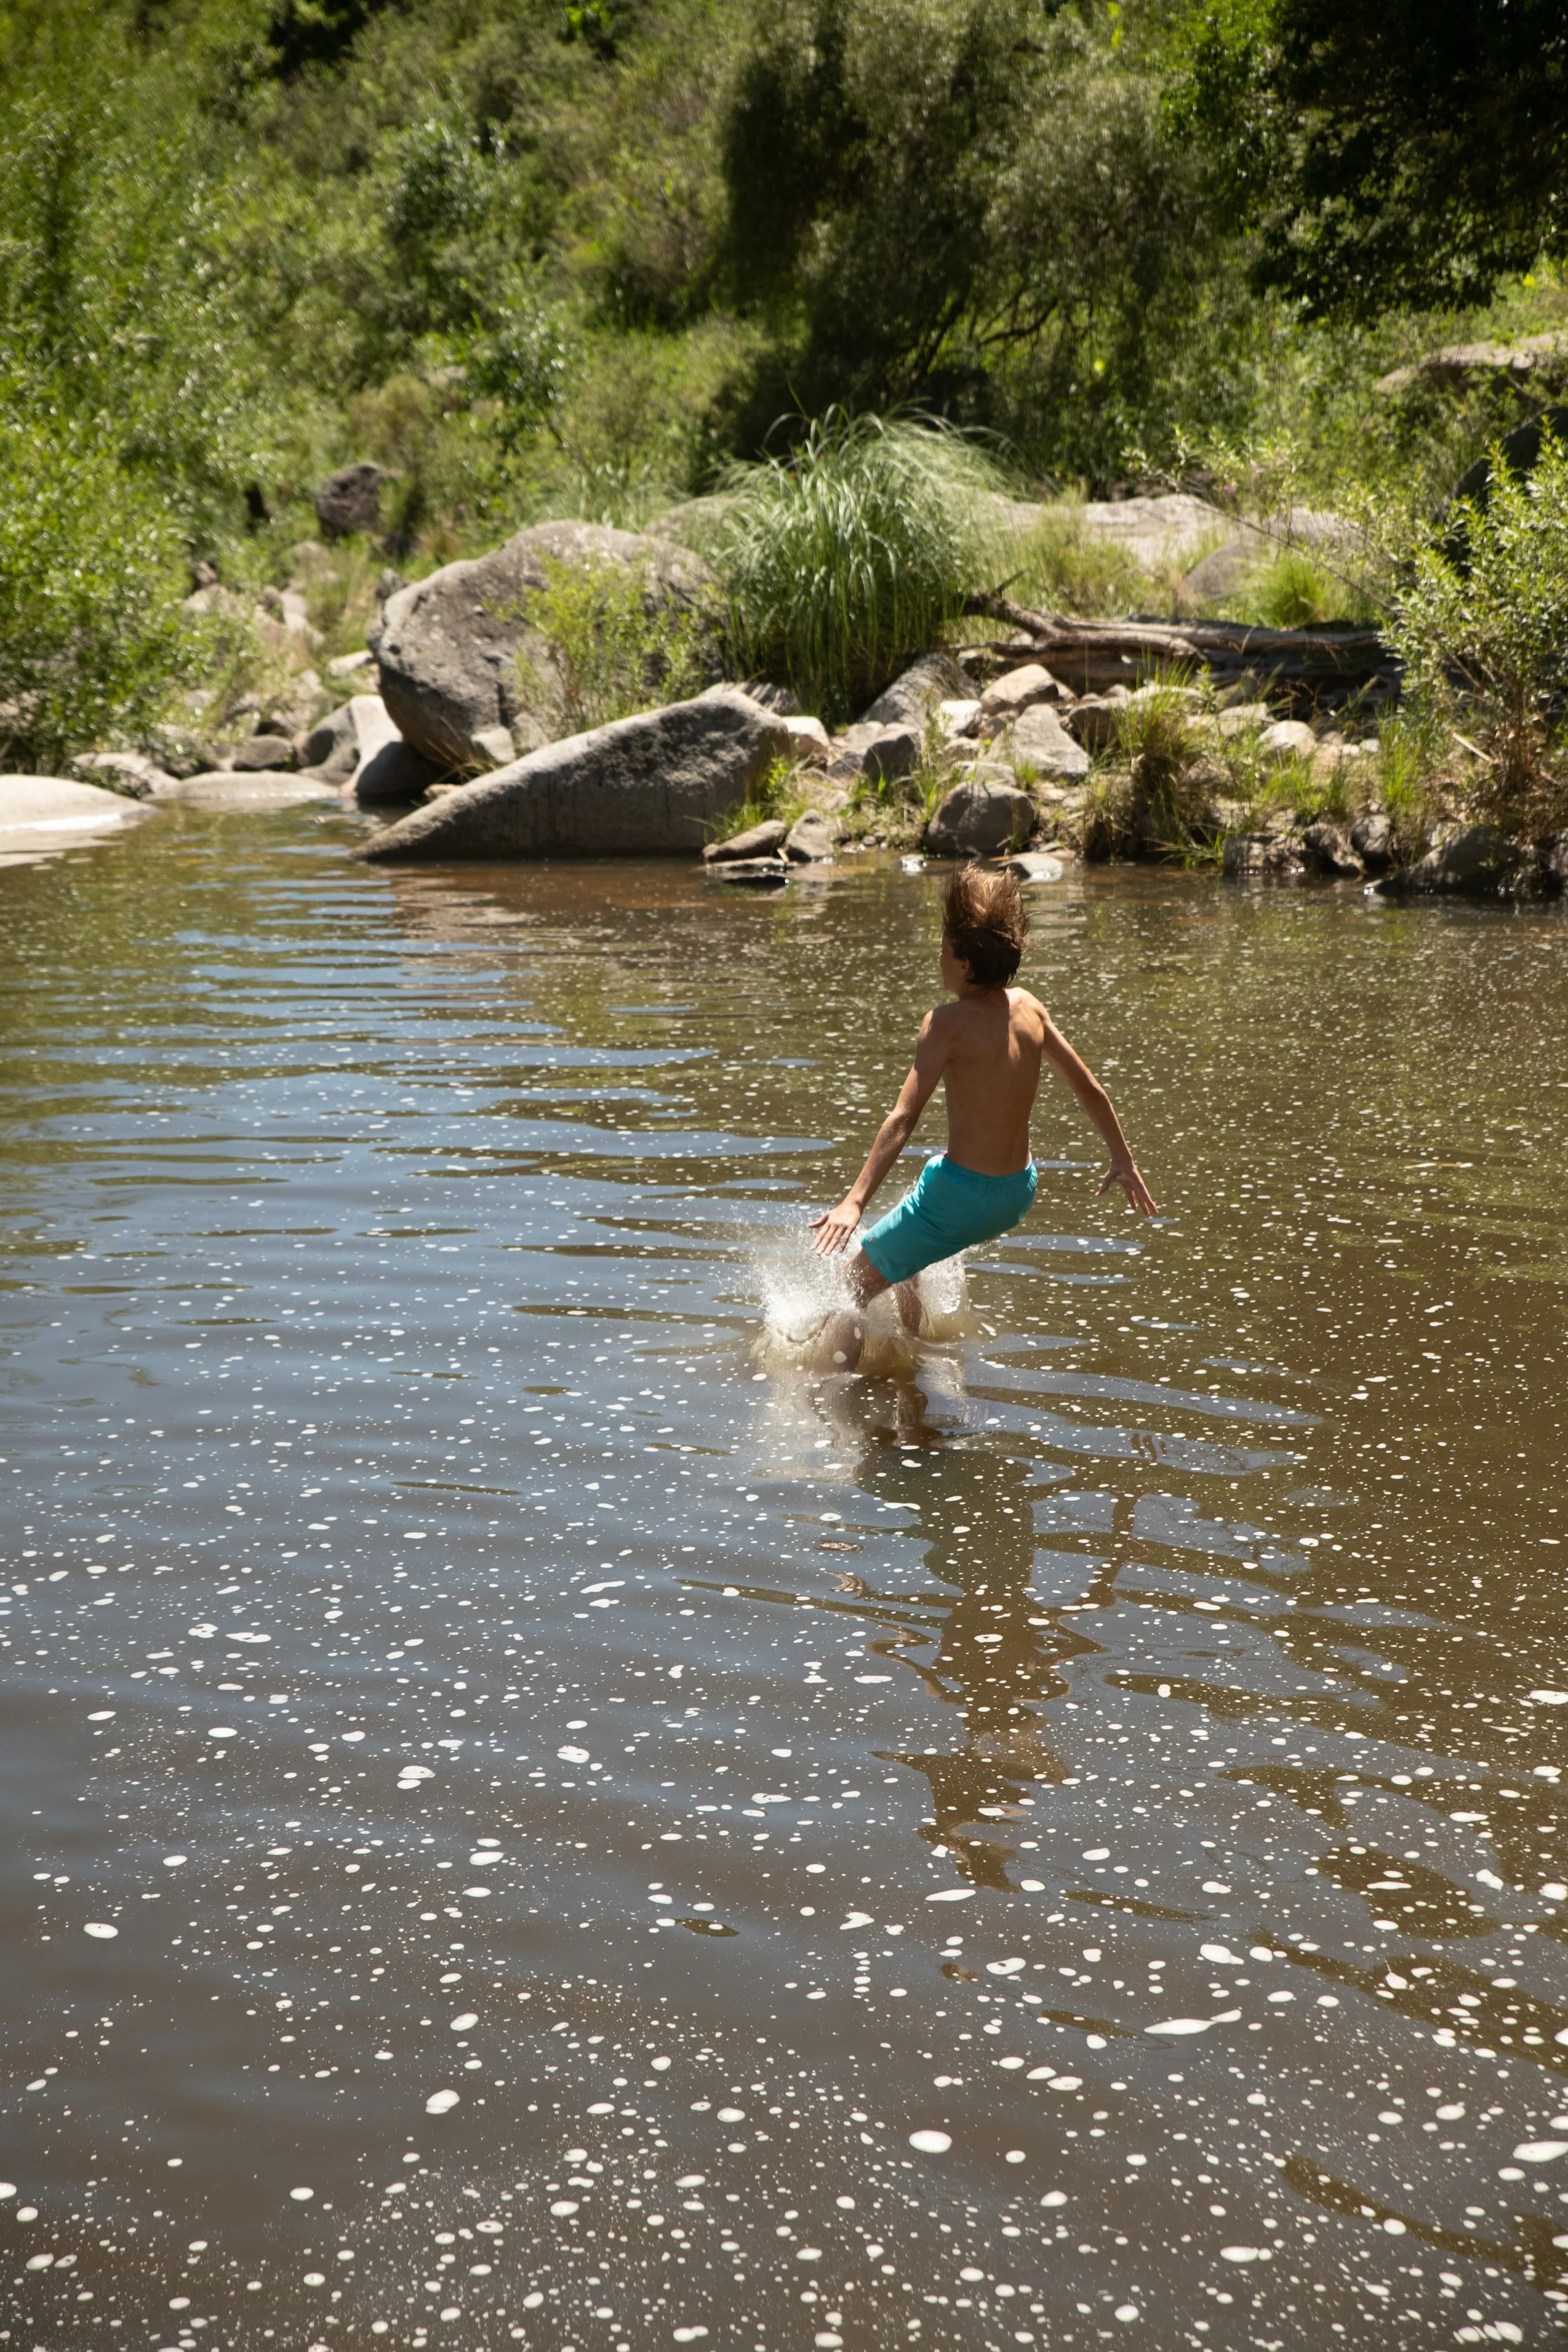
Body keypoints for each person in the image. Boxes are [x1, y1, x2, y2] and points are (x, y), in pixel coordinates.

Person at [808, 864, 1157, 1367]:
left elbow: (903, 1118)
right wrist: (1123, 1160)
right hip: (1017, 1191)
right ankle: (919, 1347)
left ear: (966, 964)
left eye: (944, 945)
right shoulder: (1030, 1008)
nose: (938, 954)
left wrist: (854, 1202)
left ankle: (834, 1404)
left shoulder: (944, 1025)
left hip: (963, 1198)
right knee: (918, 1209)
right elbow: (1090, 1088)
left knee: (851, 1287)